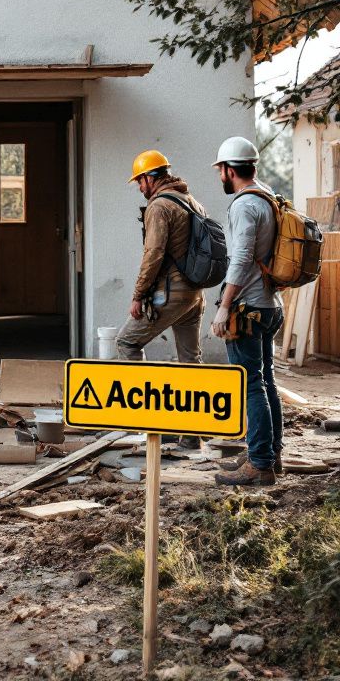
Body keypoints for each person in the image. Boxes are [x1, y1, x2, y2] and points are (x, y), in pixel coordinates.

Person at [115, 150, 209, 448]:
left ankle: (152, 419)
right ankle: (191, 434)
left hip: (170, 293)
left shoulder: (159, 206)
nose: (139, 188)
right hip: (195, 294)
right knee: (189, 361)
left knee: (127, 343)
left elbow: (153, 254)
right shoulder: (190, 201)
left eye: (139, 182)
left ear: (149, 177)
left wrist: (138, 295)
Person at [210, 136, 284, 487]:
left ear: (228, 170)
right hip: (270, 305)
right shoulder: (268, 197)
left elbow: (240, 259)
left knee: (250, 384)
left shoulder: (243, 205)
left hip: (247, 308)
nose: (219, 177)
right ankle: (270, 454)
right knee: (266, 379)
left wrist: (224, 307)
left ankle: (259, 463)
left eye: (220, 171)